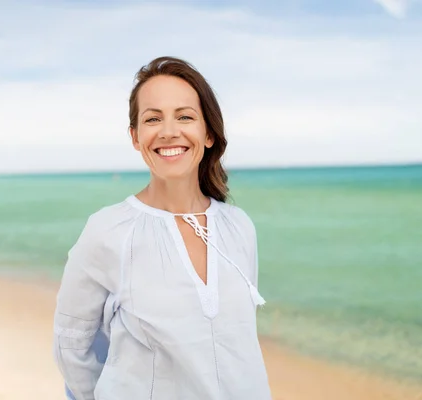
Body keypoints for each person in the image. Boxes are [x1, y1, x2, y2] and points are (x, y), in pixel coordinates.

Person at [53, 56, 272, 400]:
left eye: (185, 116)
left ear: (209, 133)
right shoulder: (108, 231)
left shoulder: (239, 226)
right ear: (136, 137)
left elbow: (240, 344)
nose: (169, 131)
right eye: (153, 118)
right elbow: (72, 344)